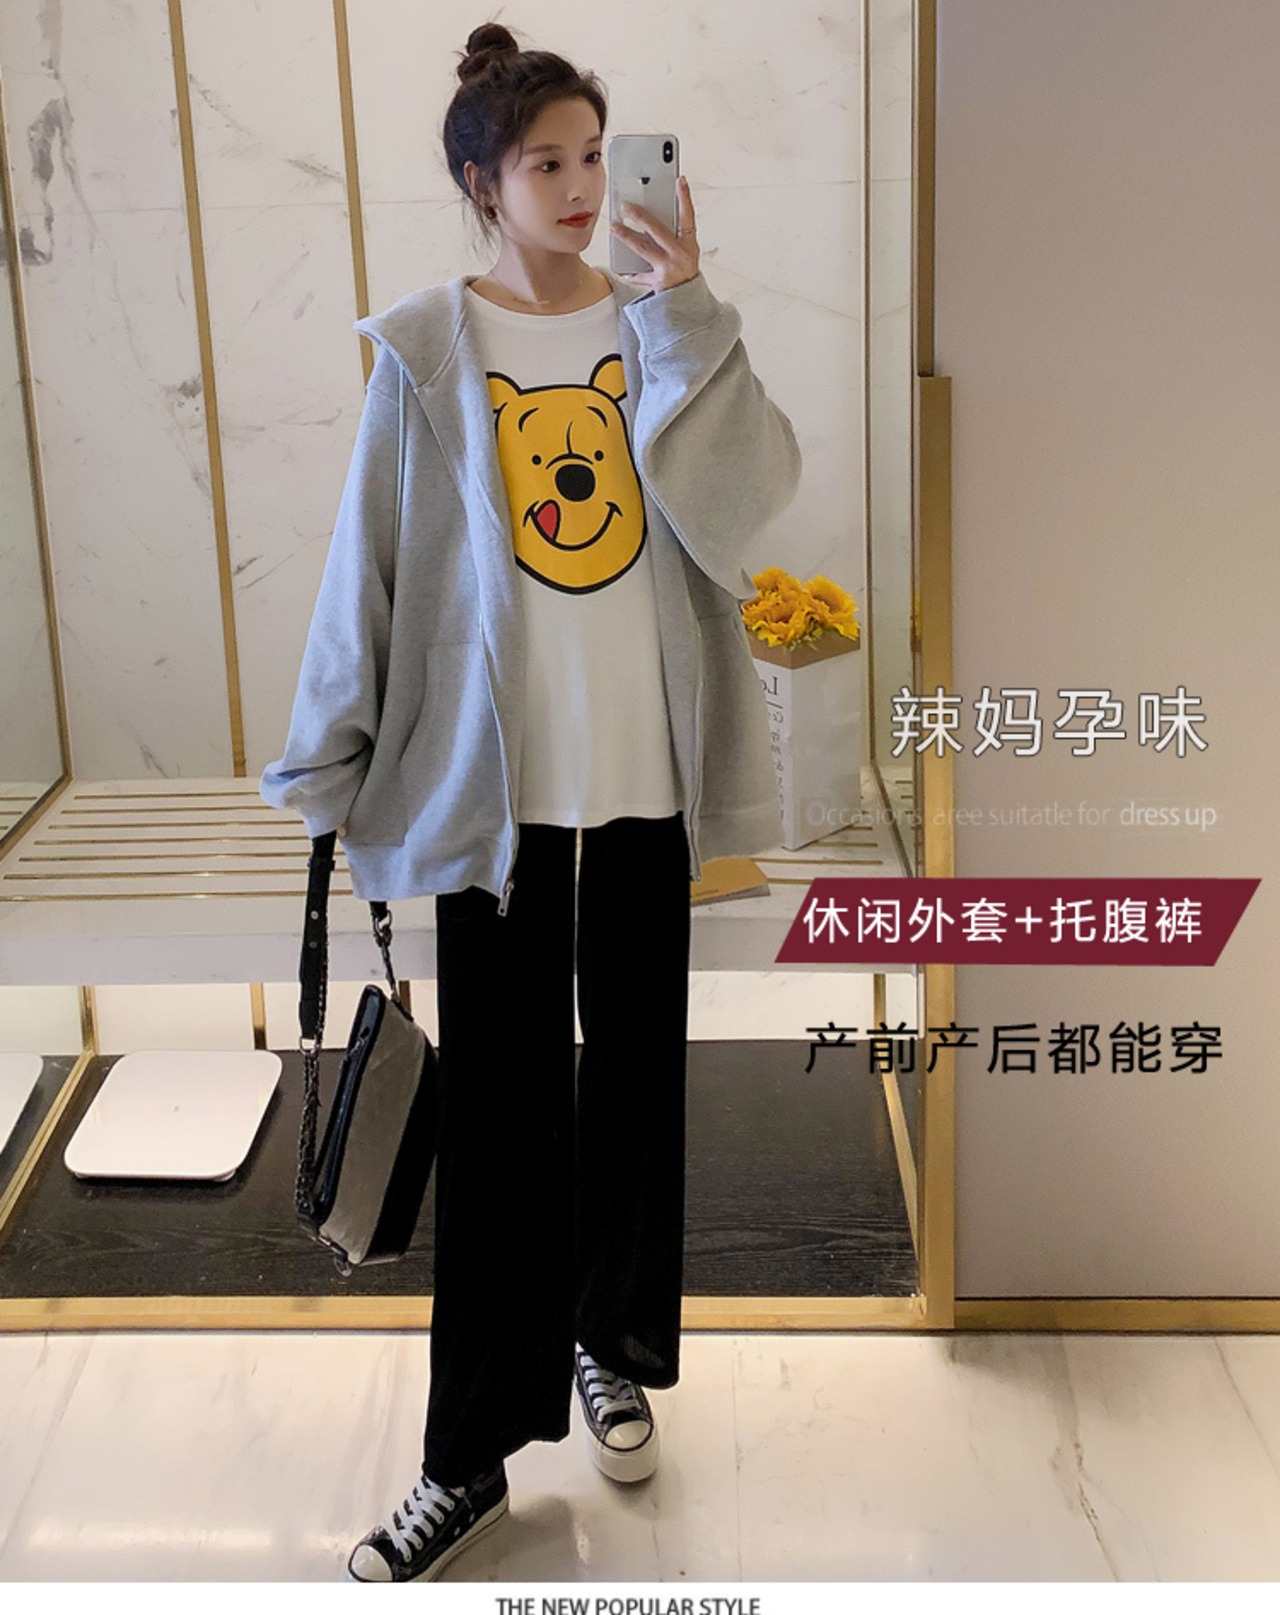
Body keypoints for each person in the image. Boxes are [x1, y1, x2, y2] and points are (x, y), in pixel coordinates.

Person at [259, 20, 802, 1585]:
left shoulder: (660, 324)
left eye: (594, 156)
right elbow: (366, 567)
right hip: (494, 802)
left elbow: (752, 497)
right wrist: (327, 759)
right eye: (545, 162)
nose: (577, 185)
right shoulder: (431, 350)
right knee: (501, 1119)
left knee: (635, 1088)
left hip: (644, 780)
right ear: (482, 184)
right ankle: (466, 1459)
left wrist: (686, 309)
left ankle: (607, 1347)